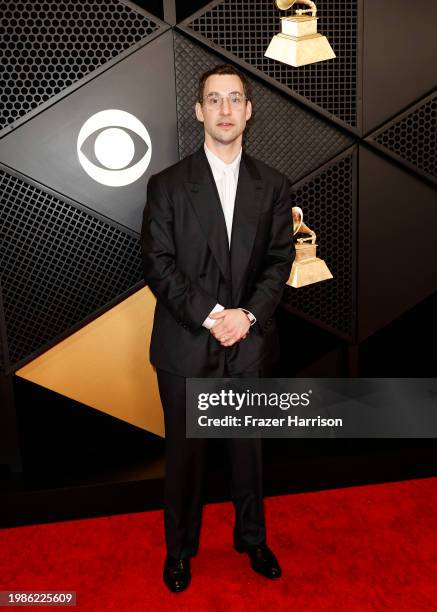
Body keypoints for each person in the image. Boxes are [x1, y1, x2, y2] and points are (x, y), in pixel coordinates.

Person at [140, 64, 294, 593]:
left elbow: (279, 260)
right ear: (200, 111)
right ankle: (180, 550)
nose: (225, 109)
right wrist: (213, 315)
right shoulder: (167, 185)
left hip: (248, 343)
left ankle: (252, 538)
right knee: (185, 457)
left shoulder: (273, 185)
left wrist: (246, 317)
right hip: (185, 344)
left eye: (235, 99)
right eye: (215, 99)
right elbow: (158, 264)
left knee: (249, 451)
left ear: (248, 110)